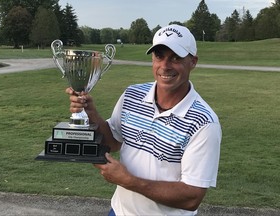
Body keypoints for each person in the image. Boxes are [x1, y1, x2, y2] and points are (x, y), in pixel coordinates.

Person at [66, 24, 221, 216]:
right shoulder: (132, 94)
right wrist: (90, 113)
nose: (165, 65)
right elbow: (113, 142)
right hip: (119, 211)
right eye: (159, 56)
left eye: (176, 57)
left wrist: (127, 180)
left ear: (193, 62)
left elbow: (192, 197)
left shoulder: (204, 122)